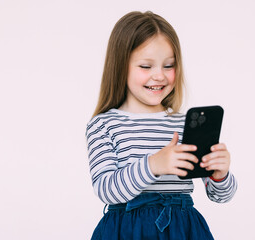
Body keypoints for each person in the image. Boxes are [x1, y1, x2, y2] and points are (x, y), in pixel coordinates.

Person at [85, 11, 237, 240]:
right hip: (127, 231)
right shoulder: (104, 125)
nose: (159, 76)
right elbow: (107, 189)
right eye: (146, 66)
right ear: (120, 67)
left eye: (169, 65)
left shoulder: (185, 124)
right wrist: (153, 164)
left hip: (182, 230)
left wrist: (220, 174)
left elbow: (220, 196)